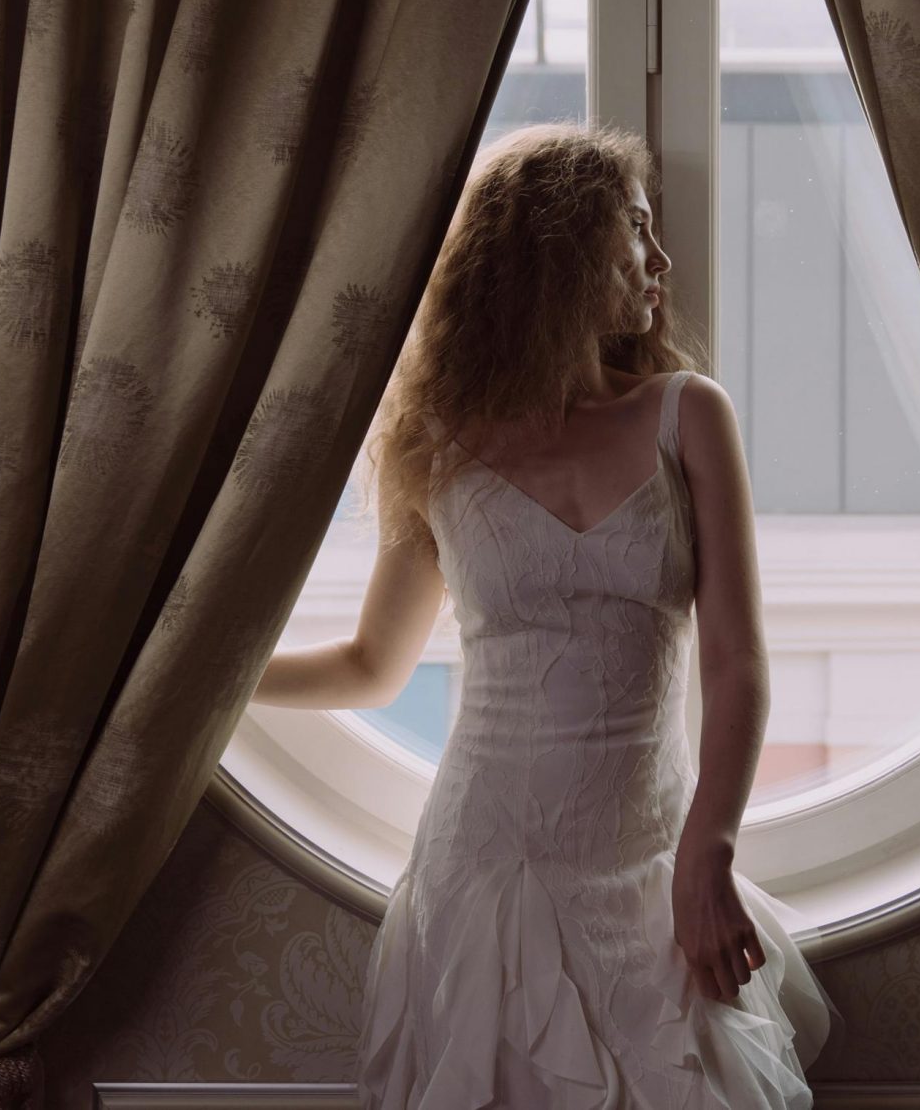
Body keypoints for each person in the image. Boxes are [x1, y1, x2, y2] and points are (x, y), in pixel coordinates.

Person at [254, 121, 836, 1107]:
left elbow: (735, 663)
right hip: (486, 867)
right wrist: (196, 682)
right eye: (638, 233)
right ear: (562, 254)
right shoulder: (437, 443)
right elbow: (370, 664)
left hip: (652, 866)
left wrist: (709, 850)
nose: (661, 260)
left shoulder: (686, 412)